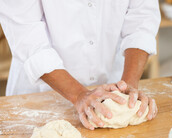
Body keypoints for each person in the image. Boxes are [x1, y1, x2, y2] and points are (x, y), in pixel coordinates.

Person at [0, 0, 160, 130]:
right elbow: (27, 37)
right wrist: (78, 95)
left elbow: (142, 17)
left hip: (112, 82)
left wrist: (127, 86)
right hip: (39, 97)